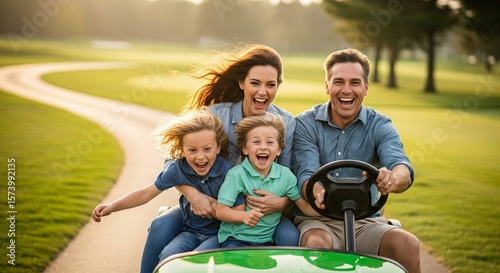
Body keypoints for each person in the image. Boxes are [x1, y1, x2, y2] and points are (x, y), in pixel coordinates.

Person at [140, 44, 298, 273]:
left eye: (270, 85)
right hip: (209, 205)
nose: (263, 91)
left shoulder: (286, 122)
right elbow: (174, 162)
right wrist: (193, 195)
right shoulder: (216, 114)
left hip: (260, 213)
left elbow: (288, 173)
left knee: (290, 235)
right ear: (242, 83)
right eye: (255, 83)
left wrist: (282, 202)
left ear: (278, 86)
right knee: (160, 225)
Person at [291, 48, 421, 273]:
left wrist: (392, 178)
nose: (347, 90)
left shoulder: (379, 125)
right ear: (327, 86)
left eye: (355, 82)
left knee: (407, 243)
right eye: (339, 82)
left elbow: (402, 167)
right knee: (315, 245)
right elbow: (306, 173)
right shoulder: (306, 123)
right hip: (320, 220)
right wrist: (317, 192)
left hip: (366, 222)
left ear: (366, 87)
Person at [91, 108, 243, 260]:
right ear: (181, 150)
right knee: (168, 256)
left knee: (198, 259)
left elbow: (239, 210)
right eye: (192, 150)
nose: (200, 156)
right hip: (189, 233)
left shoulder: (229, 173)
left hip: (218, 235)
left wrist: (218, 207)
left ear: (217, 148)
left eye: (207, 149)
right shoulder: (178, 169)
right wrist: (112, 207)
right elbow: (145, 193)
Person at [216, 114, 319, 247]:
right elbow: (221, 210)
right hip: (235, 239)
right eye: (256, 142)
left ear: (278, 150)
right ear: (245, 149)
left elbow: (304, 206)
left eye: (270, 142)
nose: (263, 147)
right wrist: (243, 216)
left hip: (266, 242)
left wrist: (325, 210)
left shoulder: (286, 176)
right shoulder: (236, 175)